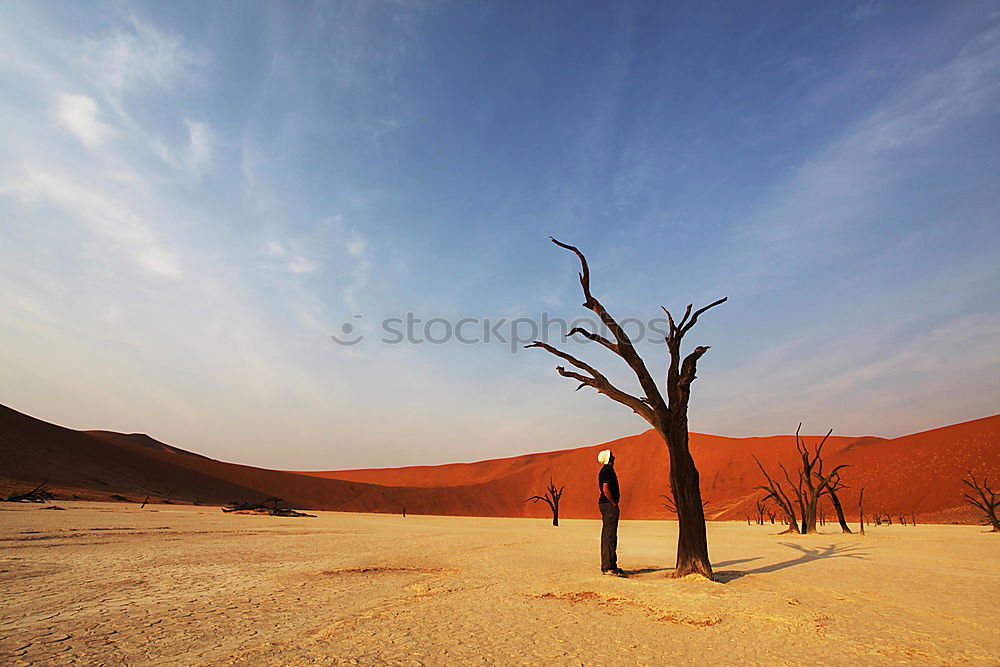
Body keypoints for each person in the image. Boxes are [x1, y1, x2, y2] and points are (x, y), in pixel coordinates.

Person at [597, 449, 625, 576]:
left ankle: (611, 565)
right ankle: (608, 567)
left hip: (606, 504)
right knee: (609, 535)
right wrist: (614, 503)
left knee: (611, 535)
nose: (614, 456)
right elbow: (606, 489)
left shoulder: (605, 471)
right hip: (608, 505)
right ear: (608, 459)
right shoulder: (608, 470)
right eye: (611, 455)